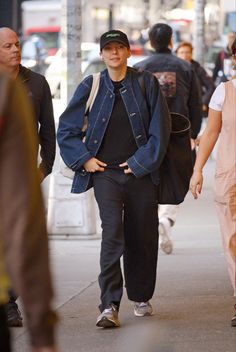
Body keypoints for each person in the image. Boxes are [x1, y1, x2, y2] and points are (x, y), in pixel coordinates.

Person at [57, 29, 171, 328]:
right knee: (112, 236)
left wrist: (139, 163)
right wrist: (84, 159)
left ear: (128, 52)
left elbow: (161, 131)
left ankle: (141, 295)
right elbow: (66, 129)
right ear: (102, 54)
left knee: (142, 236)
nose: (114, 53)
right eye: (108, 48)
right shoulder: (91, 84)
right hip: (105, 175)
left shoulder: (146, 83)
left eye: (120, 47)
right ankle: (109, 304)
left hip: (140, 174)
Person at [0, 27, 56, 327]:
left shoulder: (37, 83)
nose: (15, 50)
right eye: (7, 46)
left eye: (17, 44)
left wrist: (43, 169)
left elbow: (48, 131)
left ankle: (11, 301)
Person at [134, 23, 202, 255]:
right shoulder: (184, 67)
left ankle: (151, 223)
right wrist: (193, 134)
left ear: (151, 42)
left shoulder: (139, 68)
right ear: (171, 40)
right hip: (178, 133)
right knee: (177, 180)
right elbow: (195, 102)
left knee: (149, 179)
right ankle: (166, 220)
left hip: (147, 135)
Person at [190, 38, 236, 327]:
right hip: (229, 176)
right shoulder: (224, 92)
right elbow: (211, 133)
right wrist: (198, 170)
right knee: (231, 239)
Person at [176, 41, 215, 118]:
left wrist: (203, 102)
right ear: (177, 54)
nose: (184, 55)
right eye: (182, 52)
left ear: (191, 54)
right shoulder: (172, 68)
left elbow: (211, 87)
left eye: (187, 52)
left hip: (194, 108)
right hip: (177, 108)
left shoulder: (198, 69)